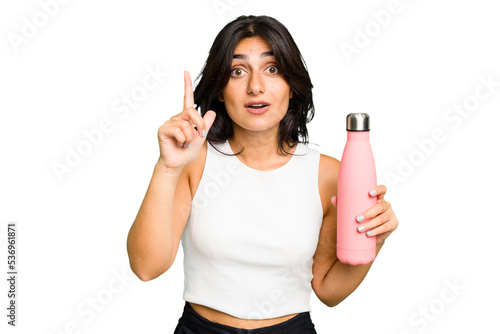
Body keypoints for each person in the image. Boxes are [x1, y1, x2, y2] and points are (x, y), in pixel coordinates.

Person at [126, 15, 398, 334]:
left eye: (272, 69)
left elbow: (328, 290)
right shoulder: (193, 163)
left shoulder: (328, 174)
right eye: (237, 71)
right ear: (220, 91)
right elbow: (146, 267)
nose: (256, 87)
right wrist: (167, 168)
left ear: (292, 86)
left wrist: (372, 243)